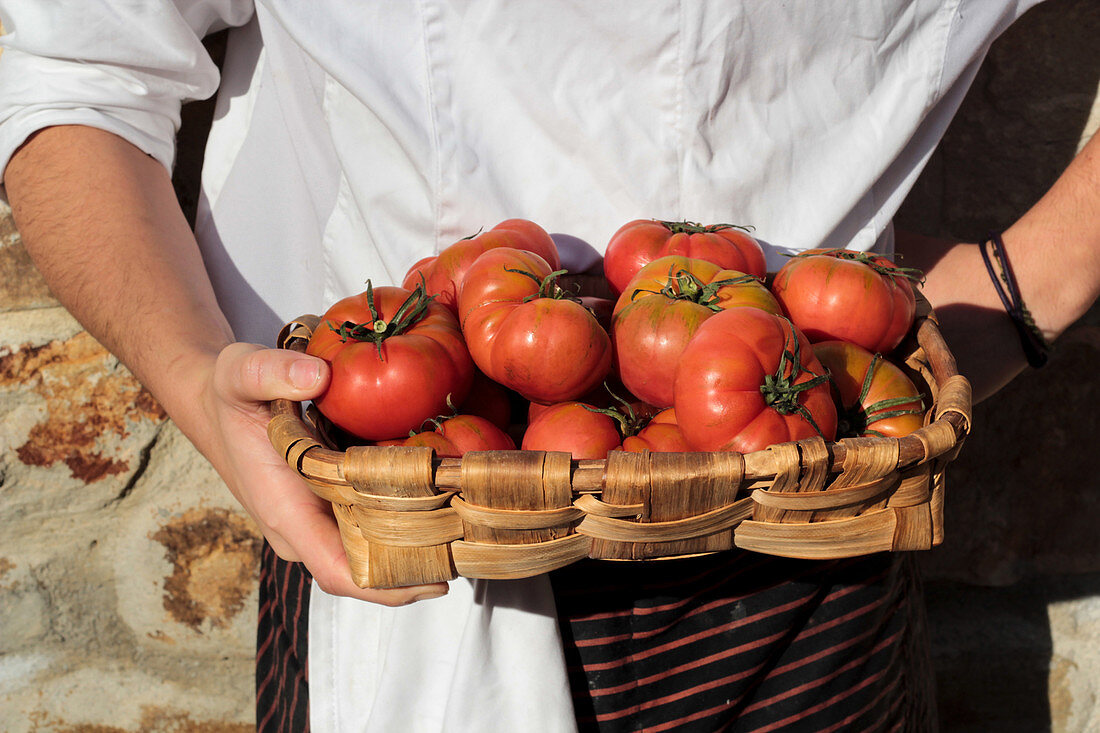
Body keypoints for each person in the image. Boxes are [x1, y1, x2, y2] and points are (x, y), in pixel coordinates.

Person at [1, 2, 1097, 731]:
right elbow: (71, 61)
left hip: (801, 570)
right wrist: (193, 374)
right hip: (401, 547)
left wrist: (1007, 301)